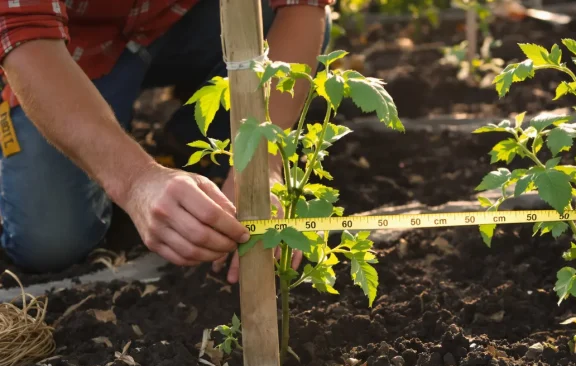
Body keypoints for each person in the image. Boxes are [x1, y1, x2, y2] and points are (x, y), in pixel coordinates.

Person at [0, 0, 332, 283]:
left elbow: (302, 4)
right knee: (51, 242)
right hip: (66, 50)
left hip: (177, 20)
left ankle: (189, 143)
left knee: (274, 21)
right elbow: (22, 27)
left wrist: (265, 162)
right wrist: (136, 181)